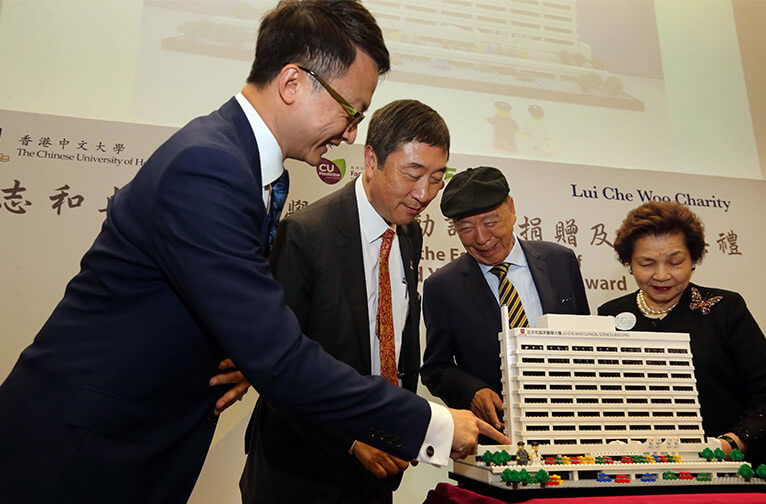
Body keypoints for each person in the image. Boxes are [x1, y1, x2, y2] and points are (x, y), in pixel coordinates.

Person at [0, 2, 506, 503]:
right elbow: (282, 357)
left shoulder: (241, 164)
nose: (351, 133)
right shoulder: (210, 166)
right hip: (81, 452)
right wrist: (435, 423)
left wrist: (243, 346)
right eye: (349, 111)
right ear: (292, 84)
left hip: (124, 443)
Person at [239, 99, 450, 503]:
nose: (425, 194)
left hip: (377, 469)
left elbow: (397, 338)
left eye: (438, 178)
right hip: (300, 470)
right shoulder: (305, 235)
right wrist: (350, 439)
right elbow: (276, 366)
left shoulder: (409, 235)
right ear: (371, 160)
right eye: (413, 174)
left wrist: (401, 423)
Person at [421, 166, 590, 432]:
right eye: (466, 228)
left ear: (511, 208)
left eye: (490, 222)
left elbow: (588, 342)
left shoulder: (560, 261)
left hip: (574, 424)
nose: (481, 238)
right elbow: (436, 368)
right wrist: (473, 392)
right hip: (497, 434)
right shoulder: (442, 287)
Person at [598, 201, 766, 466]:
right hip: (634, 471)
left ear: (694, 258)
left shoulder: (725, 309)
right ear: (628, 262)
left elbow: (763, 394)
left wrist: (732, 442)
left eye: (675, 262)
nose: (662, 275)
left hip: (726, 467)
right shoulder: (609, 315)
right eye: (647, 263)